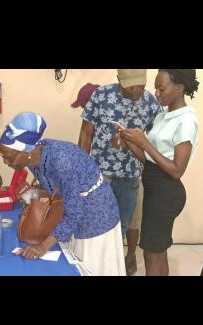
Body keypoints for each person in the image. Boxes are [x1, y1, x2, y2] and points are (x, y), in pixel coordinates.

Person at [0, 112, 125, 275]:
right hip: (75, 207)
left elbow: (74, 213)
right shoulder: (33, 158)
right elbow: (52, 187)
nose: (5, 161)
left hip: (96, 214)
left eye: (9, 157)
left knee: (92, 266)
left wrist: (42, 247)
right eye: (2, 154)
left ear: (25, 152)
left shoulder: (61, 161)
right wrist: (27, 195)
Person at [76, 70, 163, 275]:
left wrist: (133, 142)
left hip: (130, 177)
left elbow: (157, 142)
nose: (135, 91)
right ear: (119, 81)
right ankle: (94, 265)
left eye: (139, 86)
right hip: (99, 175)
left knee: (123, 227)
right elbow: (86, 132)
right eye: (130, 86)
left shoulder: (151, 104)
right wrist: (80, 169)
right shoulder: (101, 96)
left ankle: (114, 265)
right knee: (96, 224)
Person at [119, 69, 200, 276]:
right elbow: (150, 160)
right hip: (155, 188)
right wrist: (129, 142)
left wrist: (144, 143)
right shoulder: (164, 116)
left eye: (161, 88)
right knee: (155, 253)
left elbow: (176, 170)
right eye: (155, 87)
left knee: (151, 255)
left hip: (166, 193)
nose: (156, 93)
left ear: (179, 88)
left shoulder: (186, 121)